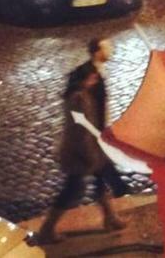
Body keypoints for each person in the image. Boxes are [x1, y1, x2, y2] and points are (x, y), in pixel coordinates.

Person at [35, 63, 128, 244]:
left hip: (89, 149)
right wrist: (90, 155)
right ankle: (47, 229)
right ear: (86, 79)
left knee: (100, 181)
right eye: (93, 78)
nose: (95, 81)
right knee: (73, 189)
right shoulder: (79, 99)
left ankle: (111, 218)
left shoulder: (81, 95)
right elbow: (80, 131)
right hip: (80, 152)